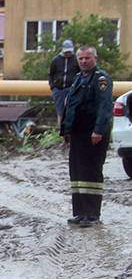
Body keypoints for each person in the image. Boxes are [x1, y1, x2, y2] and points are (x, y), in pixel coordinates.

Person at [61, 46, 113, 228]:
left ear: (95, 58)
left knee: (91, 173)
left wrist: (98, 130)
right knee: (77, 173)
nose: (83, 61)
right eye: (81, 58)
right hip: (78, 133)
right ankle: (80, 212)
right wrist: (66, 131)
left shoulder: (101, 79)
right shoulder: (77, 79)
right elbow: (71, 106)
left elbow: (105, 107)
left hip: (93, 134)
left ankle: (92, 214)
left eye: (87, 58)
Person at [49, 39, 80, 124]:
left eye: (69, 52)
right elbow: (51, 74)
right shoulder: (56, 60)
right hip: (58, 89)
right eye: (66, 52)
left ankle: (70, 129)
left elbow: (80, 73)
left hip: (71, 89)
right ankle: (61, 129)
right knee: (60, 111)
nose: (68, 54)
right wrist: (53, 87)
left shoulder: (76, 60)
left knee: (71, 110)